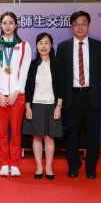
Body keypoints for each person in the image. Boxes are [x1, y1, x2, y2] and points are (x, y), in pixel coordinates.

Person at [56, 10, 101, 179]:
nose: (80, 27)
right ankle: (74, 166)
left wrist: (89, 86)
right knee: (72, 135)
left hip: (92, 96)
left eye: (83, 23)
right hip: (72, 96)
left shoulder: (99, 46)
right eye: (76, 24)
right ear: (72, 26)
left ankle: (91, 167)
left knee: (93, 135)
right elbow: (60, 75)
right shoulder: (63, 47)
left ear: (89, 26)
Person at [0, 11, 31, 177]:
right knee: (1, 131)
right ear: (0, 25)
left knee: (15, 131)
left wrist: (16, 91)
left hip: (17, 94)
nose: (7, 26)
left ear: (16, 25)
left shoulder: (24, 45)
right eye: (4, 23)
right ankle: (4, 162)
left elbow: (24, 70)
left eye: (11, 23)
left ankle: (15, 162)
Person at [24, 32, 64, 180]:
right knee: (36, 137)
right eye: (40, 43)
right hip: (36, 104)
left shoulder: (57, 64)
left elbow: (61, 87)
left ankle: (49, 167)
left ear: (51, 45)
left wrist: (58, 106)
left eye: (46, 43)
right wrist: (28, 107)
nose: (43, 46)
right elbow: (28, 87)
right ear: (36, 46)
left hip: (52, 105)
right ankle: (39, 166)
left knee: (49, 138)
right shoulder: (33, 65)